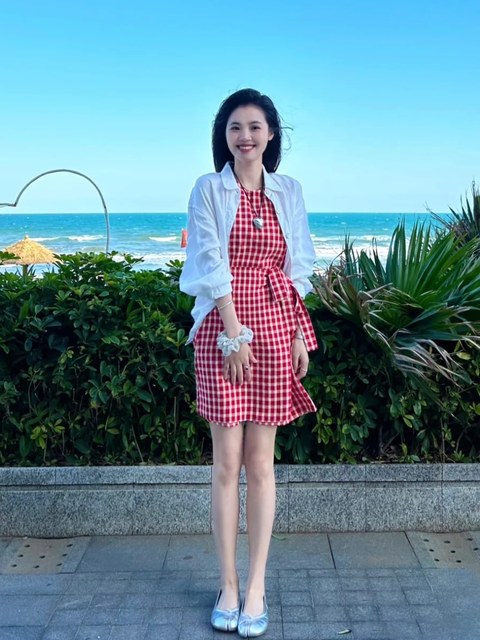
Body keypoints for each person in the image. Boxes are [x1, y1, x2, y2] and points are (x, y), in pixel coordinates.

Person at [179, 88, 317, 638]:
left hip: (278, 326)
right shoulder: (208, 188)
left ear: (271, 134)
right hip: (224, 327)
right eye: (235, 127)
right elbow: (210, 260)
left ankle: (256, 584)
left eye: (255, 126)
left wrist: (299, 335)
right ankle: (228, 585)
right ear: (224, 135)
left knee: (261, 464)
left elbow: (298, 265)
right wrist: (234, 334)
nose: (245, 136)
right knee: (225, 464)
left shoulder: (290, 191)